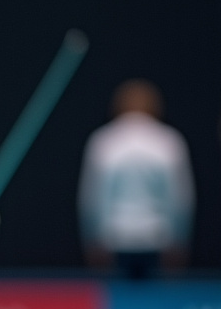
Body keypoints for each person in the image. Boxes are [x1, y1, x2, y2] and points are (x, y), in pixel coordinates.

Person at [78, 79, 193, 280]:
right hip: (157, 237)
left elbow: (93, 199)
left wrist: (93, 239)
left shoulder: (104, 141)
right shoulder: (169, 141)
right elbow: (179, 199)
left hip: (115, 237)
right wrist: (179, 239)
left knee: (118, 304)